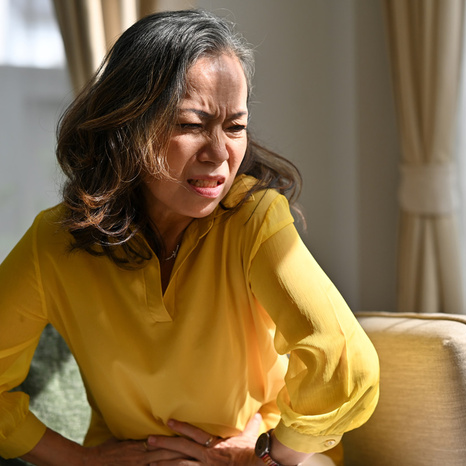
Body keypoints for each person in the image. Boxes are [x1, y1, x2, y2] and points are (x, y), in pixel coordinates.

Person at [0, 9, 379, 466]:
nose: (220, 154)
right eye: (192, 125)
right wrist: (82, 461)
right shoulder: (54, 242)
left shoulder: (254, 218)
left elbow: (342, 362)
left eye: (235, 126)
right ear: (128, 125)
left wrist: (268, 451)